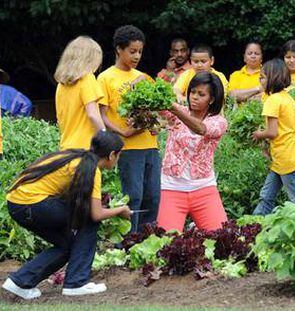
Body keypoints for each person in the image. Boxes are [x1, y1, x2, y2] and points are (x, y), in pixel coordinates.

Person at [2, 131, 132, 299]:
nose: (118, 159)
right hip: (31, 203)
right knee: (88, 220)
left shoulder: (75, 157)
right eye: (119, 155)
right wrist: (120, 210)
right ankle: (77, 283)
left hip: (16, 204)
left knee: (67, 245)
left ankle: (20, 282)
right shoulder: (92, 169)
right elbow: (96, 214)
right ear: (112, 155)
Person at [98, 25, 160, 234]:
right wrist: (121, 132)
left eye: (140, 52)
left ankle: (148, 240)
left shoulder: (143, 77)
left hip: (150, 144)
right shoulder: (106, 78)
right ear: (119, 50)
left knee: (153, 195)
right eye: (132, 51)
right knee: (134, 195)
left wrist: (155, 123)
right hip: (127, 147)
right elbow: (103, 115)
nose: (137, 56)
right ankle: (129, 239)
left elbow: (154, 110)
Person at [157, 72, 228, 232]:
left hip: (204, 189)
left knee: (221, 237)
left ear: (211, 99)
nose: (194, 97)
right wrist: (147, 82)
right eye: (192, 92)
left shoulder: (218, 121)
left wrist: (176, 110)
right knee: (165, 242)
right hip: (171, 188)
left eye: (201, 94)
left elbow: (201, 129)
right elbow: (156, 104)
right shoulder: (177, 112)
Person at [252, 59, 295, 216]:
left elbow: (272, 132)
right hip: (286, 154)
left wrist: (259, 134)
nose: (260, 80)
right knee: (266, 195)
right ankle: (256, 222)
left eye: (262, 77)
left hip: (285, 156)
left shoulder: (271, 100)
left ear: (273, 78)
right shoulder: (287, 97)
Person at [54, 36, 106, 150]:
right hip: (85, 148)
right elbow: (92, 114)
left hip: (66, 147)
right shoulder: (87, 79)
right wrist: (105, 136)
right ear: (90, 59)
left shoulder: (61, 85)